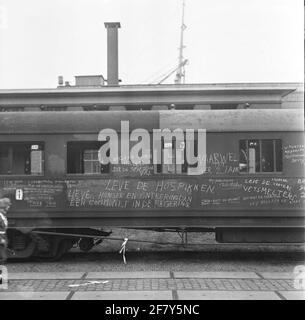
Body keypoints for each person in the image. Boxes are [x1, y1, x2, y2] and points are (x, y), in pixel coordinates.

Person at [0, 198, 11, 263]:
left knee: (3, 257)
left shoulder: (2, 215)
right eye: (8, 205)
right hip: (1, 238)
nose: (9, 207)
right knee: (2, 258)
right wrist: (1, 239)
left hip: (2, 237)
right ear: (4, 206)